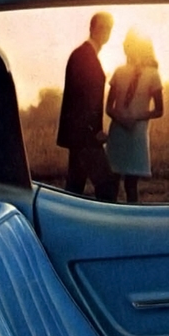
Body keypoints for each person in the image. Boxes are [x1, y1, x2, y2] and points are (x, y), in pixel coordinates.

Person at [56, 11, 117, 201]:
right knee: (107, 184)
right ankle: (105, 226)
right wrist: (94, 131)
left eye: (109, 29)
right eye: (102, 27)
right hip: (85, 136)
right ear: (92, 29)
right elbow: (82, 102)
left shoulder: (85, 54)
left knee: (75, 188)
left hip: (79, 136)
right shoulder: (84, 56)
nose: (105, 32)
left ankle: (70, 226)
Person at [105, 29, 163, 203]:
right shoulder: (119, 72)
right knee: (112, 182)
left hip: (136, 134)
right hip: (118, 132)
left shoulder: (153, 75)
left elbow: (159, 110)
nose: (125, 47)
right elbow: (108, 107)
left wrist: (136, 117)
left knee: (131, 186)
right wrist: (121, 118)